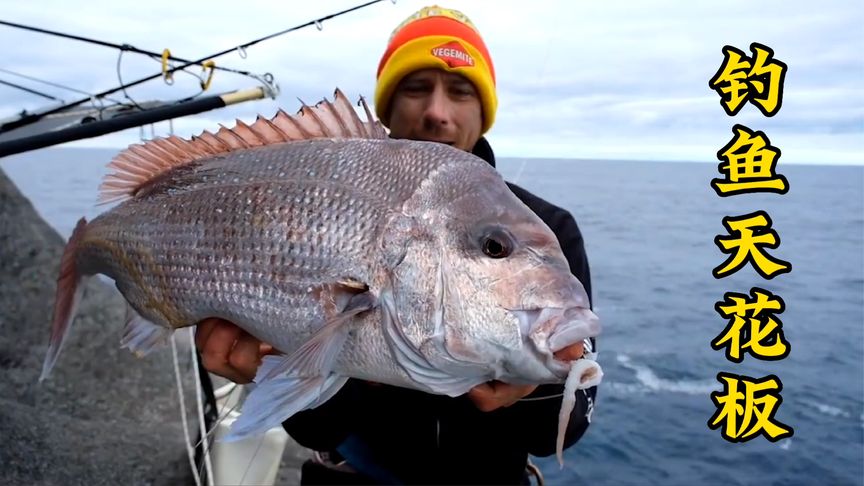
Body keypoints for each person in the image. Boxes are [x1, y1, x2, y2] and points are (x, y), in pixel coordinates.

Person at [195, 5, 597, 485]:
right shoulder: (319, 203)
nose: (436, 112)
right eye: (415, 87)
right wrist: (269, 363)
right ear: (386, 107)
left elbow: (566, 429)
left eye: (461, 90)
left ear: (484, 111)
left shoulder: (548, 228)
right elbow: (315, 428)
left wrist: (533, 386)